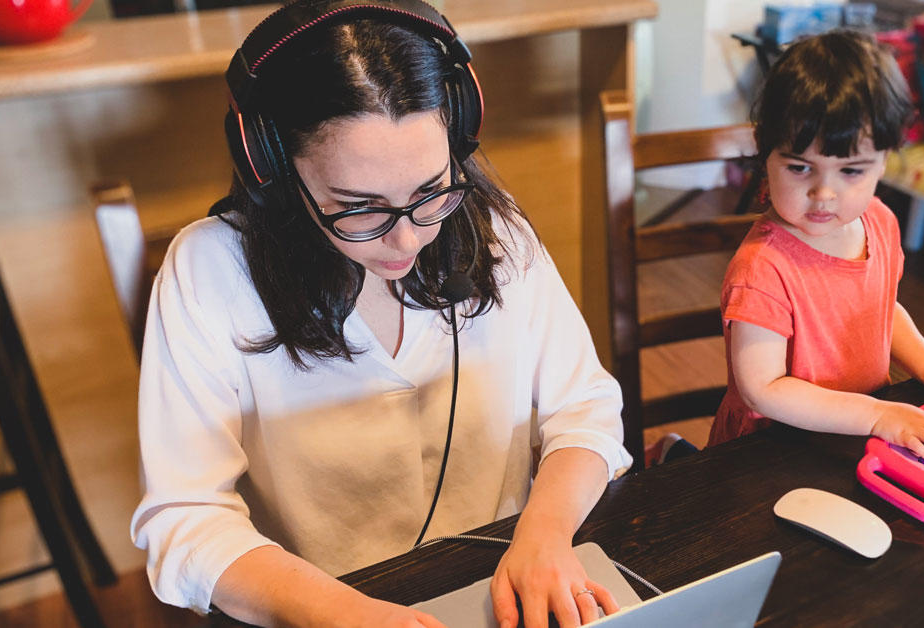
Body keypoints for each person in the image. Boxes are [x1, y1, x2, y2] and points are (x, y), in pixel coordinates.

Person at [129, 1, 632, 626]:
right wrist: (343, 614)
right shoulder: (208, 272)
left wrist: (546, 536)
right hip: (319, 607)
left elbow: (583, 406)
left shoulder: (493, 230)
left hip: (506, 584)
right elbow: (183, 516)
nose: (407, 241)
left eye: (430, 191)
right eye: (360, 208)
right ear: (274, 169)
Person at [708, 30, 924, 460]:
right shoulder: (763, 268)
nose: (824, 193)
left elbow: (881, 308)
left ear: (885, 160)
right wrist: (875, 415)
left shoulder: (879, 221)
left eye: (851, 171)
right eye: (800, 167)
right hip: (771, 454)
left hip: (858, 437)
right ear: (765, 153)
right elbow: (763, 391)